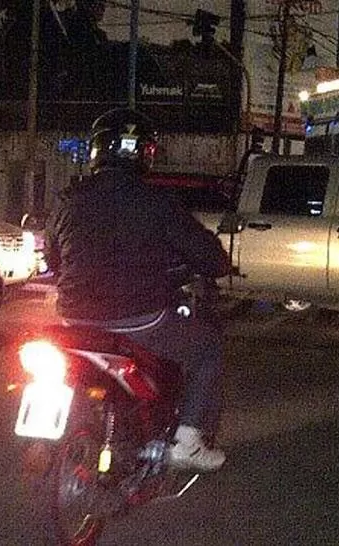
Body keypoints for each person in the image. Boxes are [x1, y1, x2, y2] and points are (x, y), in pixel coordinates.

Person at [44, 108, 231, 472]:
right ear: (144, 152)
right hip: (139, 320)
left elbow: (53, 257)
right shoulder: (156, 201)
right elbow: (209, 257)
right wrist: (215, 261)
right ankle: (188, 441)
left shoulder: (69, 199)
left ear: (97, 151)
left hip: (74, 319)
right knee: (207, 347)